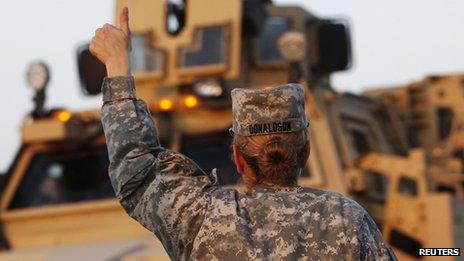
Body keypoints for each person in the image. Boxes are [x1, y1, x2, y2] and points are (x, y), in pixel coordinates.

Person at [90, 7, 396, 261]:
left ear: (237, 157)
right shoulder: (347, 219)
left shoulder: (203, 219)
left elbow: (136, 170)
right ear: (305, 153)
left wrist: (118, 64)